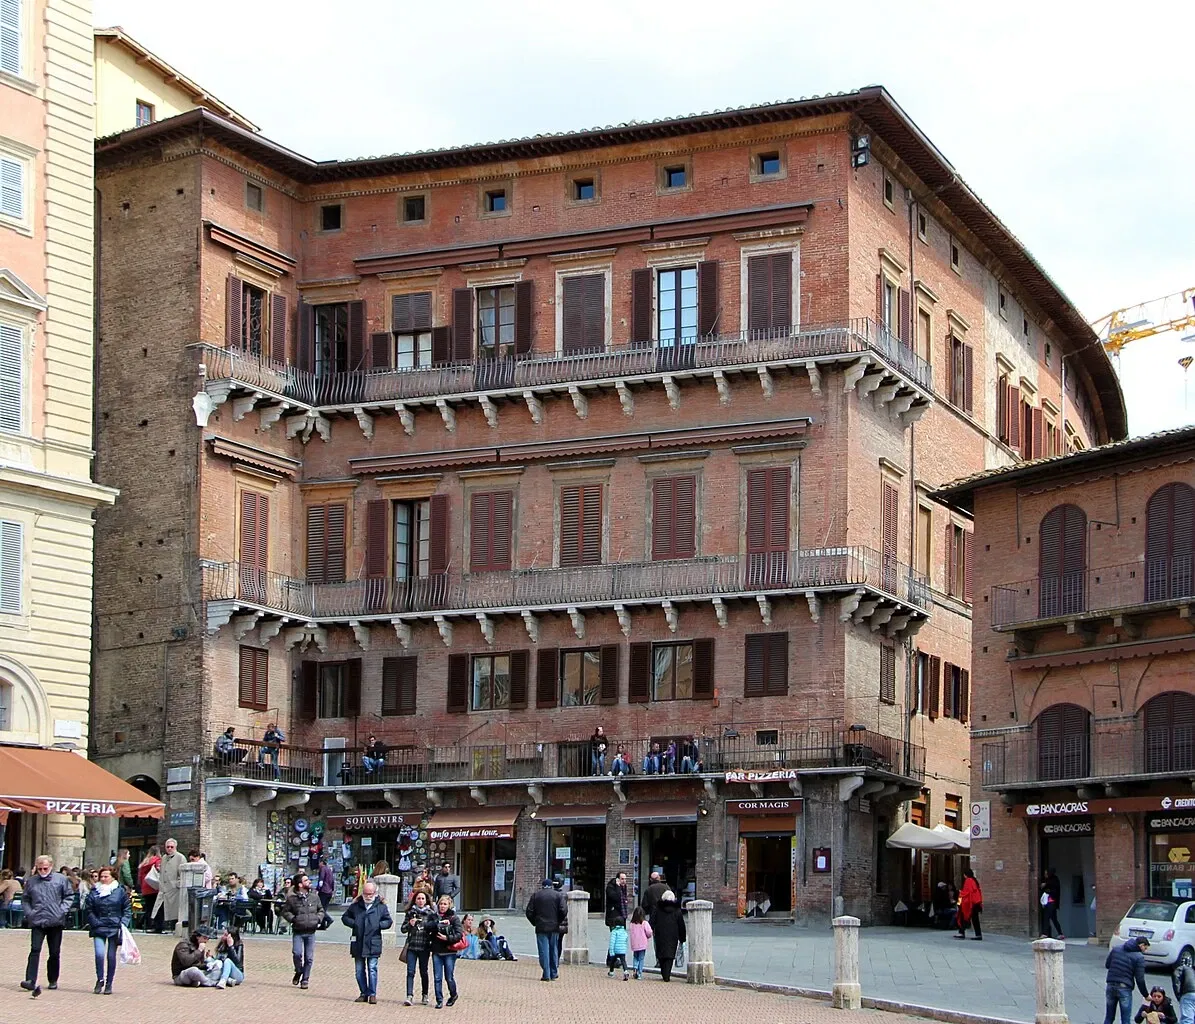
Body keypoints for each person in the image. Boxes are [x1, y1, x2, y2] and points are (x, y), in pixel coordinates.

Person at [21, 855, 74, 997]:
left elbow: (69, 896)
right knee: (35, 949)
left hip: (55, 921)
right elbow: (25, 899)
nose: (42, 871)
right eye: (40, 869)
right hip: (37, 920)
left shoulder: (61, 880)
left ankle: (53, 979)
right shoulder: (31, 881)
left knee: (54, 952)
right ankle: (30, 979)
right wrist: (29, 913)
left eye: (45, 868)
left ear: (51, 866)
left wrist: (61, 911)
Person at [342, 879, 392, 1004]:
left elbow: (388, 921)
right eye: (366, 894)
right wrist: (355, 924)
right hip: (358, 941)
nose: (368, 896)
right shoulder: (356, 906)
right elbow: (345, 917)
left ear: (375, 893)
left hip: (373, 941)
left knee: (372, 968)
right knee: (359, 970)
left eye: (370, 894)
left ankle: (372, 993)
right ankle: (363, 992)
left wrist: (378, 925)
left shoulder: (381, 906)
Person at [84, 865, 132, 995]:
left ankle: (109, 982)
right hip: (98, 927)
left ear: (113, 877)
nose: (103, 879)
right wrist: (94, 922)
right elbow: (88, 909)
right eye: (102, 877)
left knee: (111, 956)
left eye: (106, 876)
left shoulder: (120, 891)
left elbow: (127, 909)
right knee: (99, 954)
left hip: (114, 927)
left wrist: (123, 924)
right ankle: (100, 979)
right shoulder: (94, 891)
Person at [280, 871, 324, 990]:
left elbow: (321, 910)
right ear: (300, 884)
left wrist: (318, 919)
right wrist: (293, 919)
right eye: (306, 880)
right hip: (298, 931)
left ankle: (305, 979)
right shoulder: (292, 898)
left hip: (311, 931)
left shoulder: (314, 896)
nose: (309, 882)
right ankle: (298, 971)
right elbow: (285, 911)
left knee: (309, 958)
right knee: (297, 953)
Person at [526, 877, 565, 982]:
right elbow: (563, 910)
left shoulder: (536, 895)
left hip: (541, 926)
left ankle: (546, 973)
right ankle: (554, 972)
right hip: (554, 926)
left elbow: (529, 912)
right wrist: (558, 921)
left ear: (542, 886)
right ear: (551, 886)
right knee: (554, 950)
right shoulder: (558, 895)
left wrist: (535, 922)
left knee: (544, 951)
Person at [402, 890, 437, 1006]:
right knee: (410, 971)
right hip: (412, 945)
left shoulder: (431, 913)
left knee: (424, 971)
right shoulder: (410, 912)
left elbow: (435, 927)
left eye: (423, 899)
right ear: (415, 900)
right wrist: (409, 924)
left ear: (426, 900)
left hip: (424, 946)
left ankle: (425, 994)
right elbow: (403, 929)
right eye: (418, 899)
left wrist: (427, 927)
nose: (421, 901)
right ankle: (409, 995)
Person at [1105, 938, 1151, 1024]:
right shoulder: (1139, 957)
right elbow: (1140, 979)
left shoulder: (1116, 949)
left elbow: (1107, 965)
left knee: (1109, 1017)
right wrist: (1146, 995)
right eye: (1145, 948)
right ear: (1141, 945)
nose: (1145, 951)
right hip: (1124, 988)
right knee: (1125, 1019)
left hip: (1110, 985)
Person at [430, 894, 463, 1008]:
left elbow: (459, 934)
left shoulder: (454, 918)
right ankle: (439, 1000)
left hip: (449, 951)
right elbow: (428, 929)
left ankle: (453, 994)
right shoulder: (434, 917)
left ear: (449, 905)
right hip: (437, 951)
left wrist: (447, 938)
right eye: (441, 904)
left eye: (445, 904)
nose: (442, 906)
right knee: (437, 977)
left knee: (449, 977)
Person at [649, 890, 686, 982]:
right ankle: (667, 974)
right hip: (673, 935)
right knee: (670, 954)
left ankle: (663, 972)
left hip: (660, 934)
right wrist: (682, 938)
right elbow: (681, 925)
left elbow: (652, 921)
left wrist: (650, 931)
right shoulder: (677, 911)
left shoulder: (657, 909)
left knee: (661, 954)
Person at [152, 838, 186, 934]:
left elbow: (183, 874)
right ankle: (158, 927)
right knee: (159, 908)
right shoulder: (163, 858)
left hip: (174, 889)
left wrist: (177, 884)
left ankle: (173, 928)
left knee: (173, 910)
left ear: (175, 847)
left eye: (172, 847)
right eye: (168, 847)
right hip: (164, 888)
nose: (170, 849)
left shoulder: (180, 858)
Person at [955, 867, 982, 940]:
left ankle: (961, 933)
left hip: (970, 903)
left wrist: (959, 902)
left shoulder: (968, 881)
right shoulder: (974, 880)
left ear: (965, 875)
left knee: (964, 917)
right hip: (976, 903)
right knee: (975, 919)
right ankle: (978, 934)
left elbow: (965, 893)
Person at [138, 846, 161, 930]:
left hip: (145, 888)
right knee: (156, 908)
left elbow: (140, 877)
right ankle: (153, 925)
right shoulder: (158, 861)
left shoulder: (144, 862)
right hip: (154, 887)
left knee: (148, 908)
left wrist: (141, 886)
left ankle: (146, 924)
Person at [628, 906, 652, 980]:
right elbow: (649, 932)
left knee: (635, 956)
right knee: (641, 958)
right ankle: (639, 973)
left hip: (634, 944)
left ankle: (635, 967)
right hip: (642, 944)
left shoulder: (632, 924)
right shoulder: (645, 923)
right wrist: (648, 936)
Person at [1039, 867, 1065, 939]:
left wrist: (1046, 886)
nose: (1045, 874)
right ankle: (1060, 933)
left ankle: (1045, 933)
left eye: (1046, 873)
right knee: (1054, 918)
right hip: (1050, 902)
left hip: (1051, 902)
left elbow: (1053, 891)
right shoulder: (1049, 881)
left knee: (1046, 917)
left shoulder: (1054, 881)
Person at [1172, 953, 1195, 1024]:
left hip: (1188, 993)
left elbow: (1176, 979)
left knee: (1187, 1019)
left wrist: (1178, 995)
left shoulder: (1182, 968)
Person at [607, 914, 630, 980]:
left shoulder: (614, 932)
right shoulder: (624, 931)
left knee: (612, 961)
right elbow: (626, 939)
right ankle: (625, 971)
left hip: (616, 950)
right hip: (622, 950)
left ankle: (611, 971)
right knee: (623, 961)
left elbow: (612, 942)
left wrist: (611, 951)